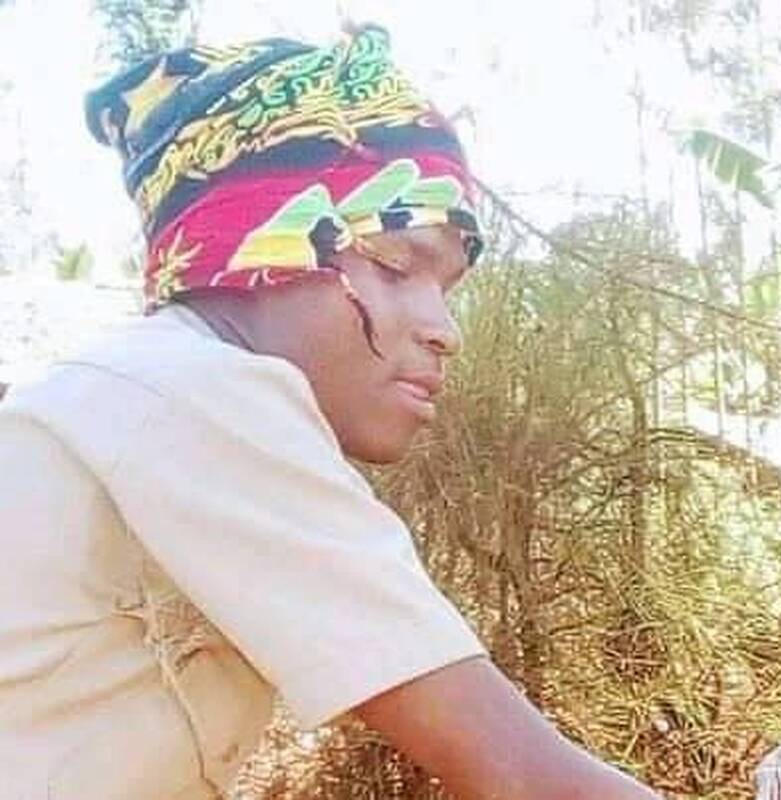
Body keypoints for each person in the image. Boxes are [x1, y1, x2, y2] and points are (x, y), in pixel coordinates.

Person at [0, 24, 661, 800]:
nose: (444, 329)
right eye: (395, 264)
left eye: (447, 288)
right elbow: (521, 776)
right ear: (257, 251)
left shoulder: (135, 393)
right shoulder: (192, 391)